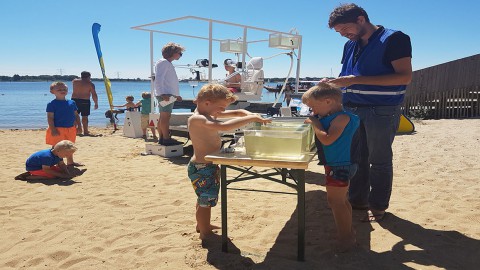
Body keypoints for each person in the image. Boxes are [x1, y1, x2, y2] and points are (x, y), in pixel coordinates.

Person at [326, 3, 412, 222]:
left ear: (361, 19)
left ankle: (378, 206)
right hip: (351, 109)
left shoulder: (395, 39)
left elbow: (404, 77)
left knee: (379, 159)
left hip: (381, 110)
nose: (343, 34)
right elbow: (348, 75)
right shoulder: (350, 45)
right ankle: (358, 201)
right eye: (339, 32)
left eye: (345, 29)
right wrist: (332, 84)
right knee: (357, 158)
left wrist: (356, 80)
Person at [187, 83, 271, 240]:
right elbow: (225, 127)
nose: (223, 111)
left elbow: (239, 112)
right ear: (207, 103)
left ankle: (202, 225)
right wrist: (250, 118)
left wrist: (249, 114)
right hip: (202, 167)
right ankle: (205, 233)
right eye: (221, 108)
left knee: (205, 199)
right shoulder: (197, 119)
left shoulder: (209, 113)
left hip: (208, 165)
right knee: (205, 201)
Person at [302, 83, 360, 252]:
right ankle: (349, 232)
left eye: (313, 107)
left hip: (341, 166)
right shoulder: (331, 117)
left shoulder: (342, 118)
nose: (312, 112)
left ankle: (345, 239)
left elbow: (327, 139)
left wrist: (315, 123)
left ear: (328, 101)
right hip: (336, 165)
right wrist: (317, 120)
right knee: (341, 201)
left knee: (336, 202)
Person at [154, 42, 184, 146]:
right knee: (165, 116)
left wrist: (176, 95)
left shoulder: (166, 63)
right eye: (180, 53)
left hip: (168, 94)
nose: (180, 55)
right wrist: (162, 93)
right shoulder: (164, 63)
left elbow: (169, 82)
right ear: (173, 53)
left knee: (163, 116)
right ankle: (166, 138)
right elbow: (158, 79)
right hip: (166, 94)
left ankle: (162, 138)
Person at [46, 81, 82, 167]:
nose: (62, 90)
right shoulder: (51, 104)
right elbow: (50, 118)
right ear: (52, 91)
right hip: (58, 128)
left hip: (71, 128)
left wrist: (80, 126)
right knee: (57, 147)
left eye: (64, 89)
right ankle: (58, 163)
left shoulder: (71, 102)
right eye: (59, 89)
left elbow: (76, 115)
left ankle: (70, 162)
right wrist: (53, 129)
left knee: (69, 146)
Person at [72, 71, 98, 136]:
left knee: (74, 116)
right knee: (85, 117)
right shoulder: (90, 84)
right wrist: (96, 103)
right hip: (85, 101)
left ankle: (74, 130)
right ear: (89, 76)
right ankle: (85, 131)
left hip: (74, 100)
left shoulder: (75, 82)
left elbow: (75, 79)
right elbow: (94, 94)